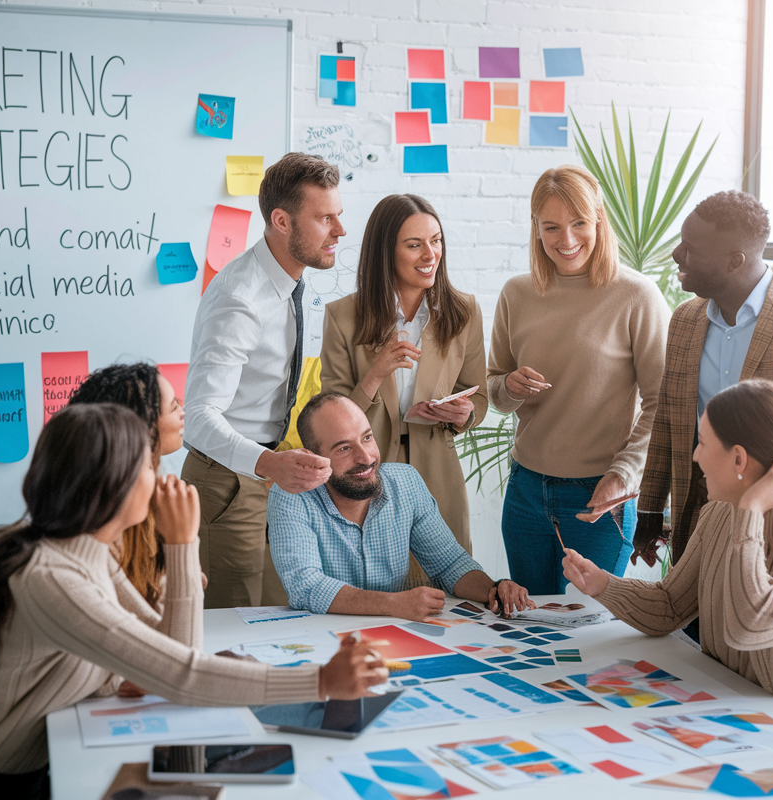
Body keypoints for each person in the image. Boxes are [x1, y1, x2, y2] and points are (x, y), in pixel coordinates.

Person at [0, 404, 386, 800]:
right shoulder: (49, 574)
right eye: (147, 466)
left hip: (26, 769)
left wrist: (129, 666)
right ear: (110, 484)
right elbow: (183, 674)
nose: (161, 478)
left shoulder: (86, 551)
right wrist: (321, 680)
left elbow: (172, 652)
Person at [562, 379, 773, 771]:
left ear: (739, 459)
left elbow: (752, 627)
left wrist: (752, 510)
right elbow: (671, 606)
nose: (695, 457)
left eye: (703, 443)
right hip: (764, 734)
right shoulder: (723, 513)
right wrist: (603, 584)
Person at [632, 190, 773, 569]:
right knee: (691, 628)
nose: (676, 255)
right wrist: (650, 511)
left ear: (733, 261)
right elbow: (670, 419)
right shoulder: (684, 320)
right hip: (695, 529)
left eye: (689, 248)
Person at [487, 165, 668, 595]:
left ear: (599, 220)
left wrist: (624, 475)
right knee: (529, 627)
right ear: (536, 228)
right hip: (526, 492)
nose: (566, 241)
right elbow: (494, 386)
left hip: (599, 497)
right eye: (551, 227)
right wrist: (509, 387)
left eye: (579, 224)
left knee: (594, 635)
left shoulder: (636, 296)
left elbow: (663, 402)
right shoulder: (517, 293)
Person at [183, 152, 344, 608]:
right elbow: (197, 418)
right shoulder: (241, 298)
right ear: (282, 221)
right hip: (226, 483)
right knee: (234, 628)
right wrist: (270, 466)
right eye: (325, 218)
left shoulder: (291, 284)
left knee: (282, 616)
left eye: (339, 216)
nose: (340, 231)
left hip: (269, 475)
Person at [320, 194, 487, 587]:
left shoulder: (465, 312)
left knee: (448, 591)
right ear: (385, 253)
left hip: (438, 472)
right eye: (414, 245)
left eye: (436, 240)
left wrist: (465, 414)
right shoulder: (343, 317)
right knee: (370, 589)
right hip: (367, 473)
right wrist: (375, 374)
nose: (430, 254)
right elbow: (329, 415)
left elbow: (476, 395)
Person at [267, 392, 534, 619]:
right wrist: (393, 604)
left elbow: (449, 564)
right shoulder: (290, 495)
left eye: (367, 438)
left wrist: (494, 589)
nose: (366, 457)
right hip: (325, 644)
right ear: (314, 458)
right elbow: (305, 586)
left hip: (396, 639)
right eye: (344, 449)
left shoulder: (406, 482)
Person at [67, 362, 185, 610]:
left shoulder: (149, 501)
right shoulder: (102, 525)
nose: (183, 411)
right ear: (143, 427)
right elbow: (166, 637)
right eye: (174, 406)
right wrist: (184, 556)